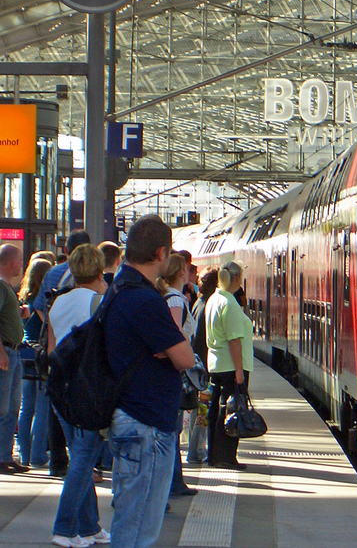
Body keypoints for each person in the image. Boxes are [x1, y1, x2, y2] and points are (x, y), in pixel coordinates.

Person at [104, 215, 195, 548]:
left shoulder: (119, 288)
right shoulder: (144, 300)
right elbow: (185, 357)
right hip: (146, 425)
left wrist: (167, 349)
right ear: (161, 253)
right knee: (139, 527)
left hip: (132, 418)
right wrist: (172, 349)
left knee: (132, 519)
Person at [46, 244, 110, 548]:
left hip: (61, 388)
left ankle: (90, 526)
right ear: (100, 270)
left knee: (80, 459)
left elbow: (51, 349)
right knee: (84, 457)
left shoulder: (57, 303)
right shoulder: (98, 302)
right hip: (89, 390)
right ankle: (64, 528)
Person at [34, 230, 90, 480]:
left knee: (55, 402)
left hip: (55, 347)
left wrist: (54, 327)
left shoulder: (52, 274)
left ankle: (58, 460)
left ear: (66, 250)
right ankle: (83, 458)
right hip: (82, 349)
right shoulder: (91, 276)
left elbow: (39, 307)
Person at [156, 253, 199, 498]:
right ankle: (173, 482)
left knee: (173, 429)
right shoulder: (175, 299)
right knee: (172, 429)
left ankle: (174, 480)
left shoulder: (173, 297)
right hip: (175, 370)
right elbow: (173, 334)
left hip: (174, 368)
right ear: (181, 272)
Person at [205, 260, 254, 470]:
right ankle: (225, 456)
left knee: (216, 409)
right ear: (236, 278)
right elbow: (234, 340)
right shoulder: (230, 303)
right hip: (230, 365)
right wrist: (240, 371)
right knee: (232, 411)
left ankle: (214, 454)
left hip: (216, 363)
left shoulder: (214, 299)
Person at [17, 257, 54, 468]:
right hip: (41, 355)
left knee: (26, 408)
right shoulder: (44, 302)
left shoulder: (24, 300)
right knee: (42, 408)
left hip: (25, 354)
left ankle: (24, 454)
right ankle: (38, 454)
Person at [0, 244, 28, 474]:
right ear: (11, 262)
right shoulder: (1, 285)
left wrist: (18, 314)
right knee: (4, 407)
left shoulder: (6, 286)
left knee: (12, 407)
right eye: (19, 260)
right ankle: (2, 455)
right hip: (6, 352)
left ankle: (5, 455)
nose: (22, 264)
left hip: (13, 351)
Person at [187, 268, 218, 465]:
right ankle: (196, 451)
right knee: (202, 413)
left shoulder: (198, 304)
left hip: (198, 368)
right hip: (203, 371)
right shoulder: (206, 307)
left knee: (198, 412)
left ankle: (195, 449)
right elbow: (200, 340)